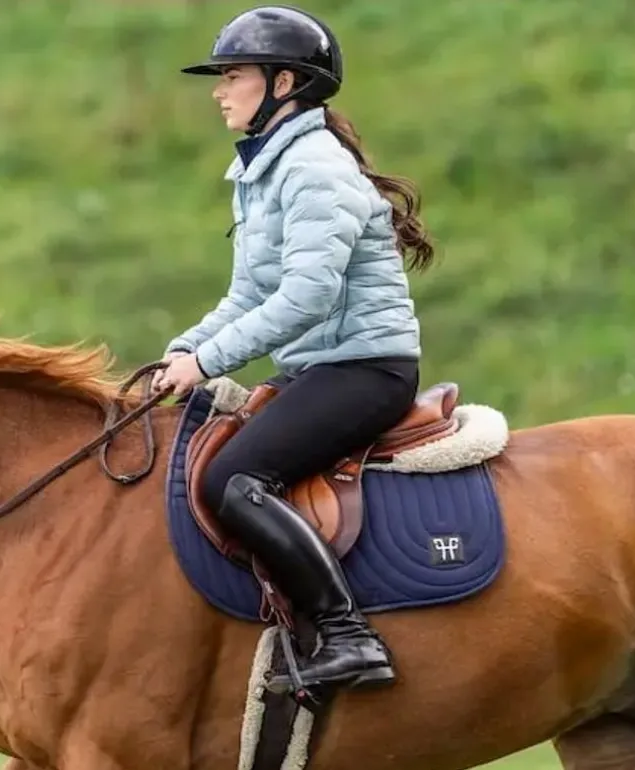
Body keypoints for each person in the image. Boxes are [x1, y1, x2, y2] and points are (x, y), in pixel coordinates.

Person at [154, 5, 435, 696]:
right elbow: (250, 291)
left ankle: (348, 635)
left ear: (284, 82)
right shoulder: (265, 170)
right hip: (319, 366)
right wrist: (184, 350)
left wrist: (211, 362)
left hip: (365, 370)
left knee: (234, 480)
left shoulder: (312, 169)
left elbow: (304, 297)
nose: (220, 90)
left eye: (233, 75)